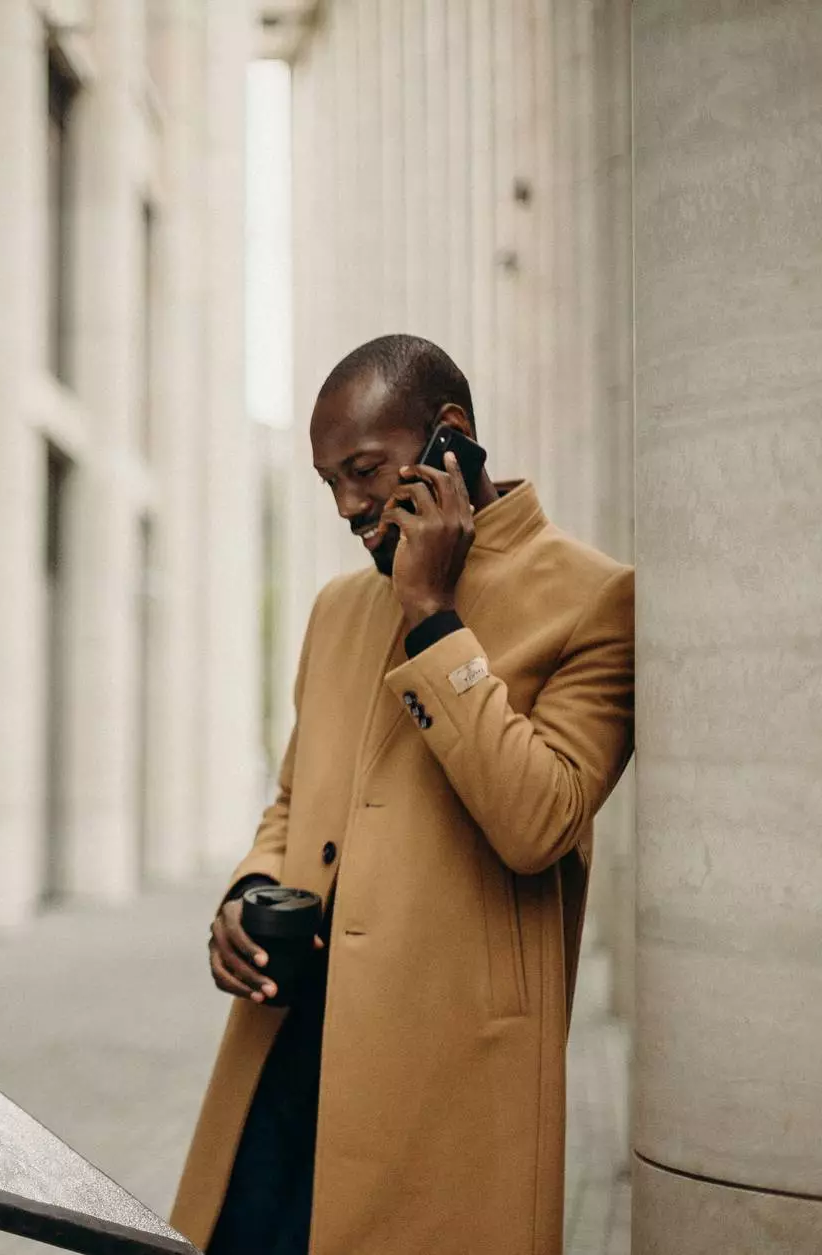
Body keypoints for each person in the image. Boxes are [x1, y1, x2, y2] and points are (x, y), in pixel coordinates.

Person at [169, 335, 636, 1255]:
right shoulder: (339, 610)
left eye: (365, 471)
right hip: (287, 1050)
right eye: (328, 481)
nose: (347, 505)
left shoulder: (593, 602)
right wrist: (245, 893)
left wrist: (434, 619)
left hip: (445, 1079)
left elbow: (540, 821)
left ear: (447, 438)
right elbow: (295, 800)